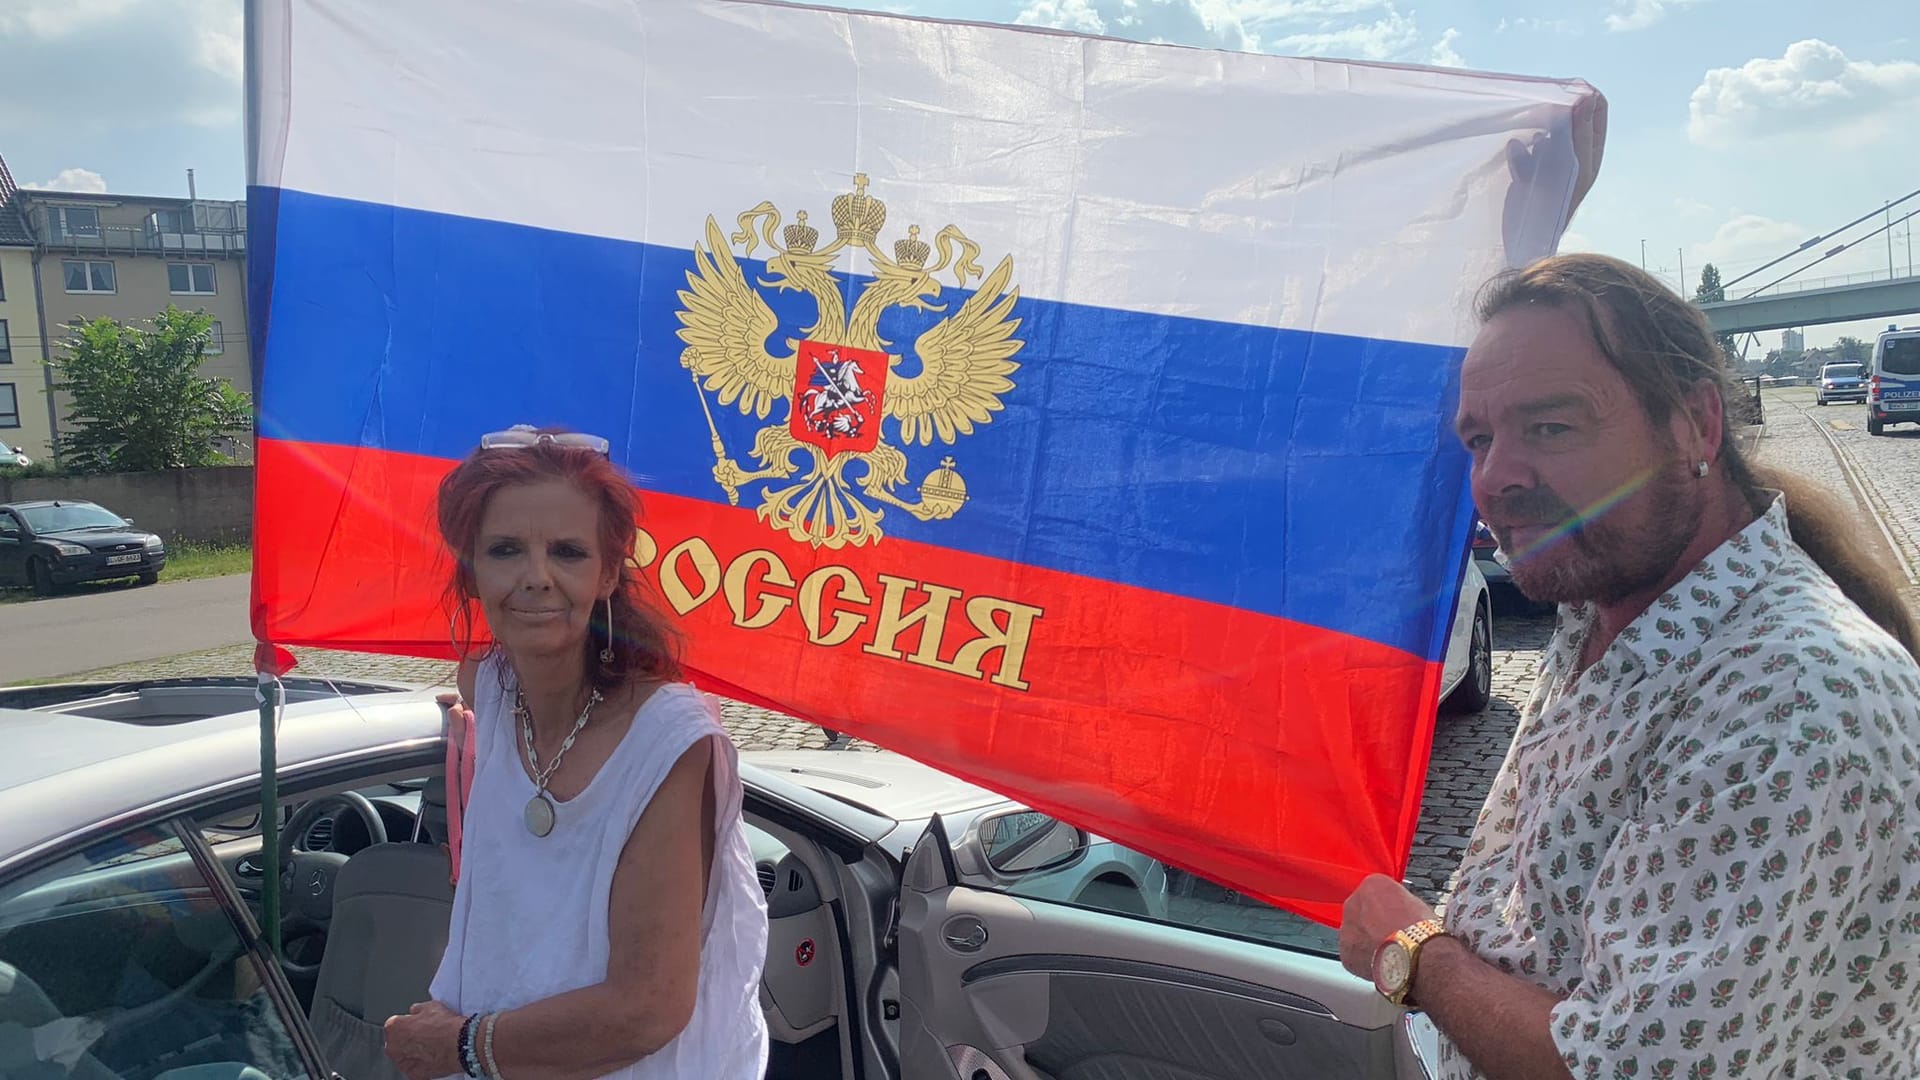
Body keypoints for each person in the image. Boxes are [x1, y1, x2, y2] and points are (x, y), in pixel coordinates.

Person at [1339, 254, 1920, 1079]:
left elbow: (1630, 1069)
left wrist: (1414, 955)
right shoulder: (1600, 610)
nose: (1494, 476)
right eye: (1479, 439)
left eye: (1552, 425)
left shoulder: (1793, 699)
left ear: (1695, 427)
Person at [383, 425, 769, 1079]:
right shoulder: (489, 684)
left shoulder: (669, 740)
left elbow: (646, 1009)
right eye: (505, 550)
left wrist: (463, 1046)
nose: (536, 578)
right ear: (471, 572)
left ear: (608, 572)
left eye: (567, 551)